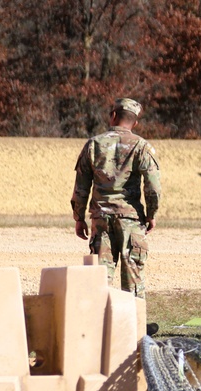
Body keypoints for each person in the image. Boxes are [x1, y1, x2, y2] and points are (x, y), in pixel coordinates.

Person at [71, 97, 161, 300]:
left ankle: (100, 326)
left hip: (101, 219)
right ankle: (134, 327)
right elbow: (153, 187)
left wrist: (79, 217)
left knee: (100, 280)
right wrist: (151, 214)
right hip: (130, 220)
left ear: (113, 116)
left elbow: (81, 187)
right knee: (133, 281)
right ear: (135, 123)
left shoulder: (94, 144)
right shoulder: (141, 146)